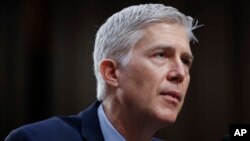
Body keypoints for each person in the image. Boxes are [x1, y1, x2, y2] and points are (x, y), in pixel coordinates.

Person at [5, 3, 200, 141]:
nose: (180, 73)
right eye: (161, 55)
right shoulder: (37, 139)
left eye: (185, 61)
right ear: (112, 73)